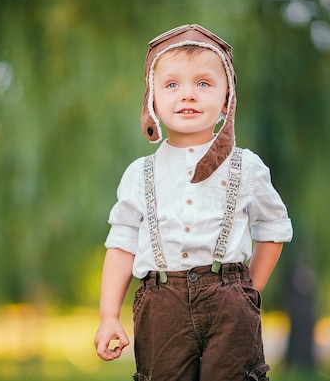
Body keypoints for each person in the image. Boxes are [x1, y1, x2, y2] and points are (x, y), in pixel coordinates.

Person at [93, 24, 293, 381]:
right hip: (160, 304)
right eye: (172, 85)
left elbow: (273, 229)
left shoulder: (245, 166)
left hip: (230, 302)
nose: (188, 95)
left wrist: (249, 292)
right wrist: (109, 316)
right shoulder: (141, 174)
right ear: (151, 99)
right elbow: (122, 245)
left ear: (226, 99)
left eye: (203, 83)